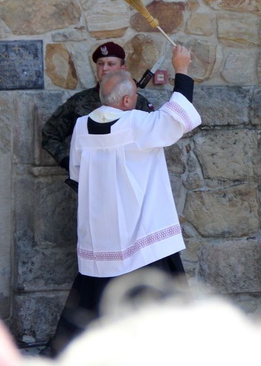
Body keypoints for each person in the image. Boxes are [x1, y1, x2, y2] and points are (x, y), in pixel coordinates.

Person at [43, 45, 201, 357]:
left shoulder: (81, 127)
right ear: (128, 101)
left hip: (100, 232)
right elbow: (177, 119)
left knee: (91, 296)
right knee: (165, 292)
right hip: (141, 230)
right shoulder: (136, 124)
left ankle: (70, 351)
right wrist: (182, 69)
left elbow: (76, 173)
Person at [42, 41, 154, 172]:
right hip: (89, 176)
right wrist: (67, 162)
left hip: (128, 177)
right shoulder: (80, 101)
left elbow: (152, 137)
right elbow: (49, 133)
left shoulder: (137, 102)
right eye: (101, 64)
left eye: (111, 64)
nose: (105, 68)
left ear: (122, 68)